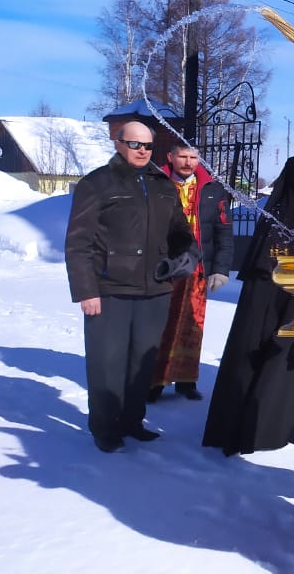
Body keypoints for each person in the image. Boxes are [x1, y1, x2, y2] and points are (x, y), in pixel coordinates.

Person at [201, 118, 294, 459]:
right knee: (264, 358)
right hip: (277, 297)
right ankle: (255, 428)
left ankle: (283, 425)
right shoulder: (281, 217)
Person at [64, 120, 195, 453]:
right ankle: (105, 429)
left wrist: (187, 254)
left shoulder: (163, 184)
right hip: (110, 290)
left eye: (148, 146)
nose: (142, 151)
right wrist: (86, 291)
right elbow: (78, 243)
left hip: (155, 290)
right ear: (118, 143)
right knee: (107, 363)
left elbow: (180, 231)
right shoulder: (97, 183)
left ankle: (132, 421)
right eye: (135, 144)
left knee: (142, 364)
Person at [150, 143, 233, 402]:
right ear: (170, 157)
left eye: (193, 157)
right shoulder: (154, 184)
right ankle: (153, 382)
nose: (188, 162)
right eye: (182, 156)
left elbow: (223, 232)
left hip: (197, 271)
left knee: (192, 326)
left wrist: (220, 269)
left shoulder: (212, 189)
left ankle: (186, 380)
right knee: (160, 325)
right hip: (164, 268)